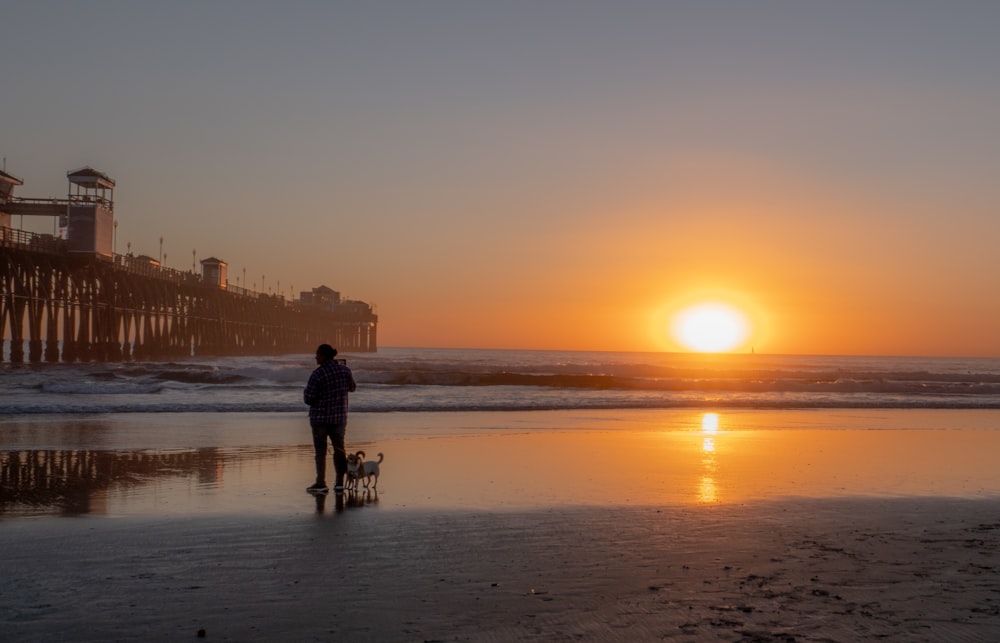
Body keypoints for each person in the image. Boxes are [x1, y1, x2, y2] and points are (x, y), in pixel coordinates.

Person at [303, 344, 357, 493]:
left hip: (320, 418)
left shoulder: (317, 374)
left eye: (317, 355)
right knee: (339, 449)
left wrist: (306, 392)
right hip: (339, 417)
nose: (316, 358)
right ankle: (339, 482)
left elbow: (308, 398)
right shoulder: (345, 370)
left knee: (320, 451)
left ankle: (321, 482)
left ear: (324, 356)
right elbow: (352, 388)